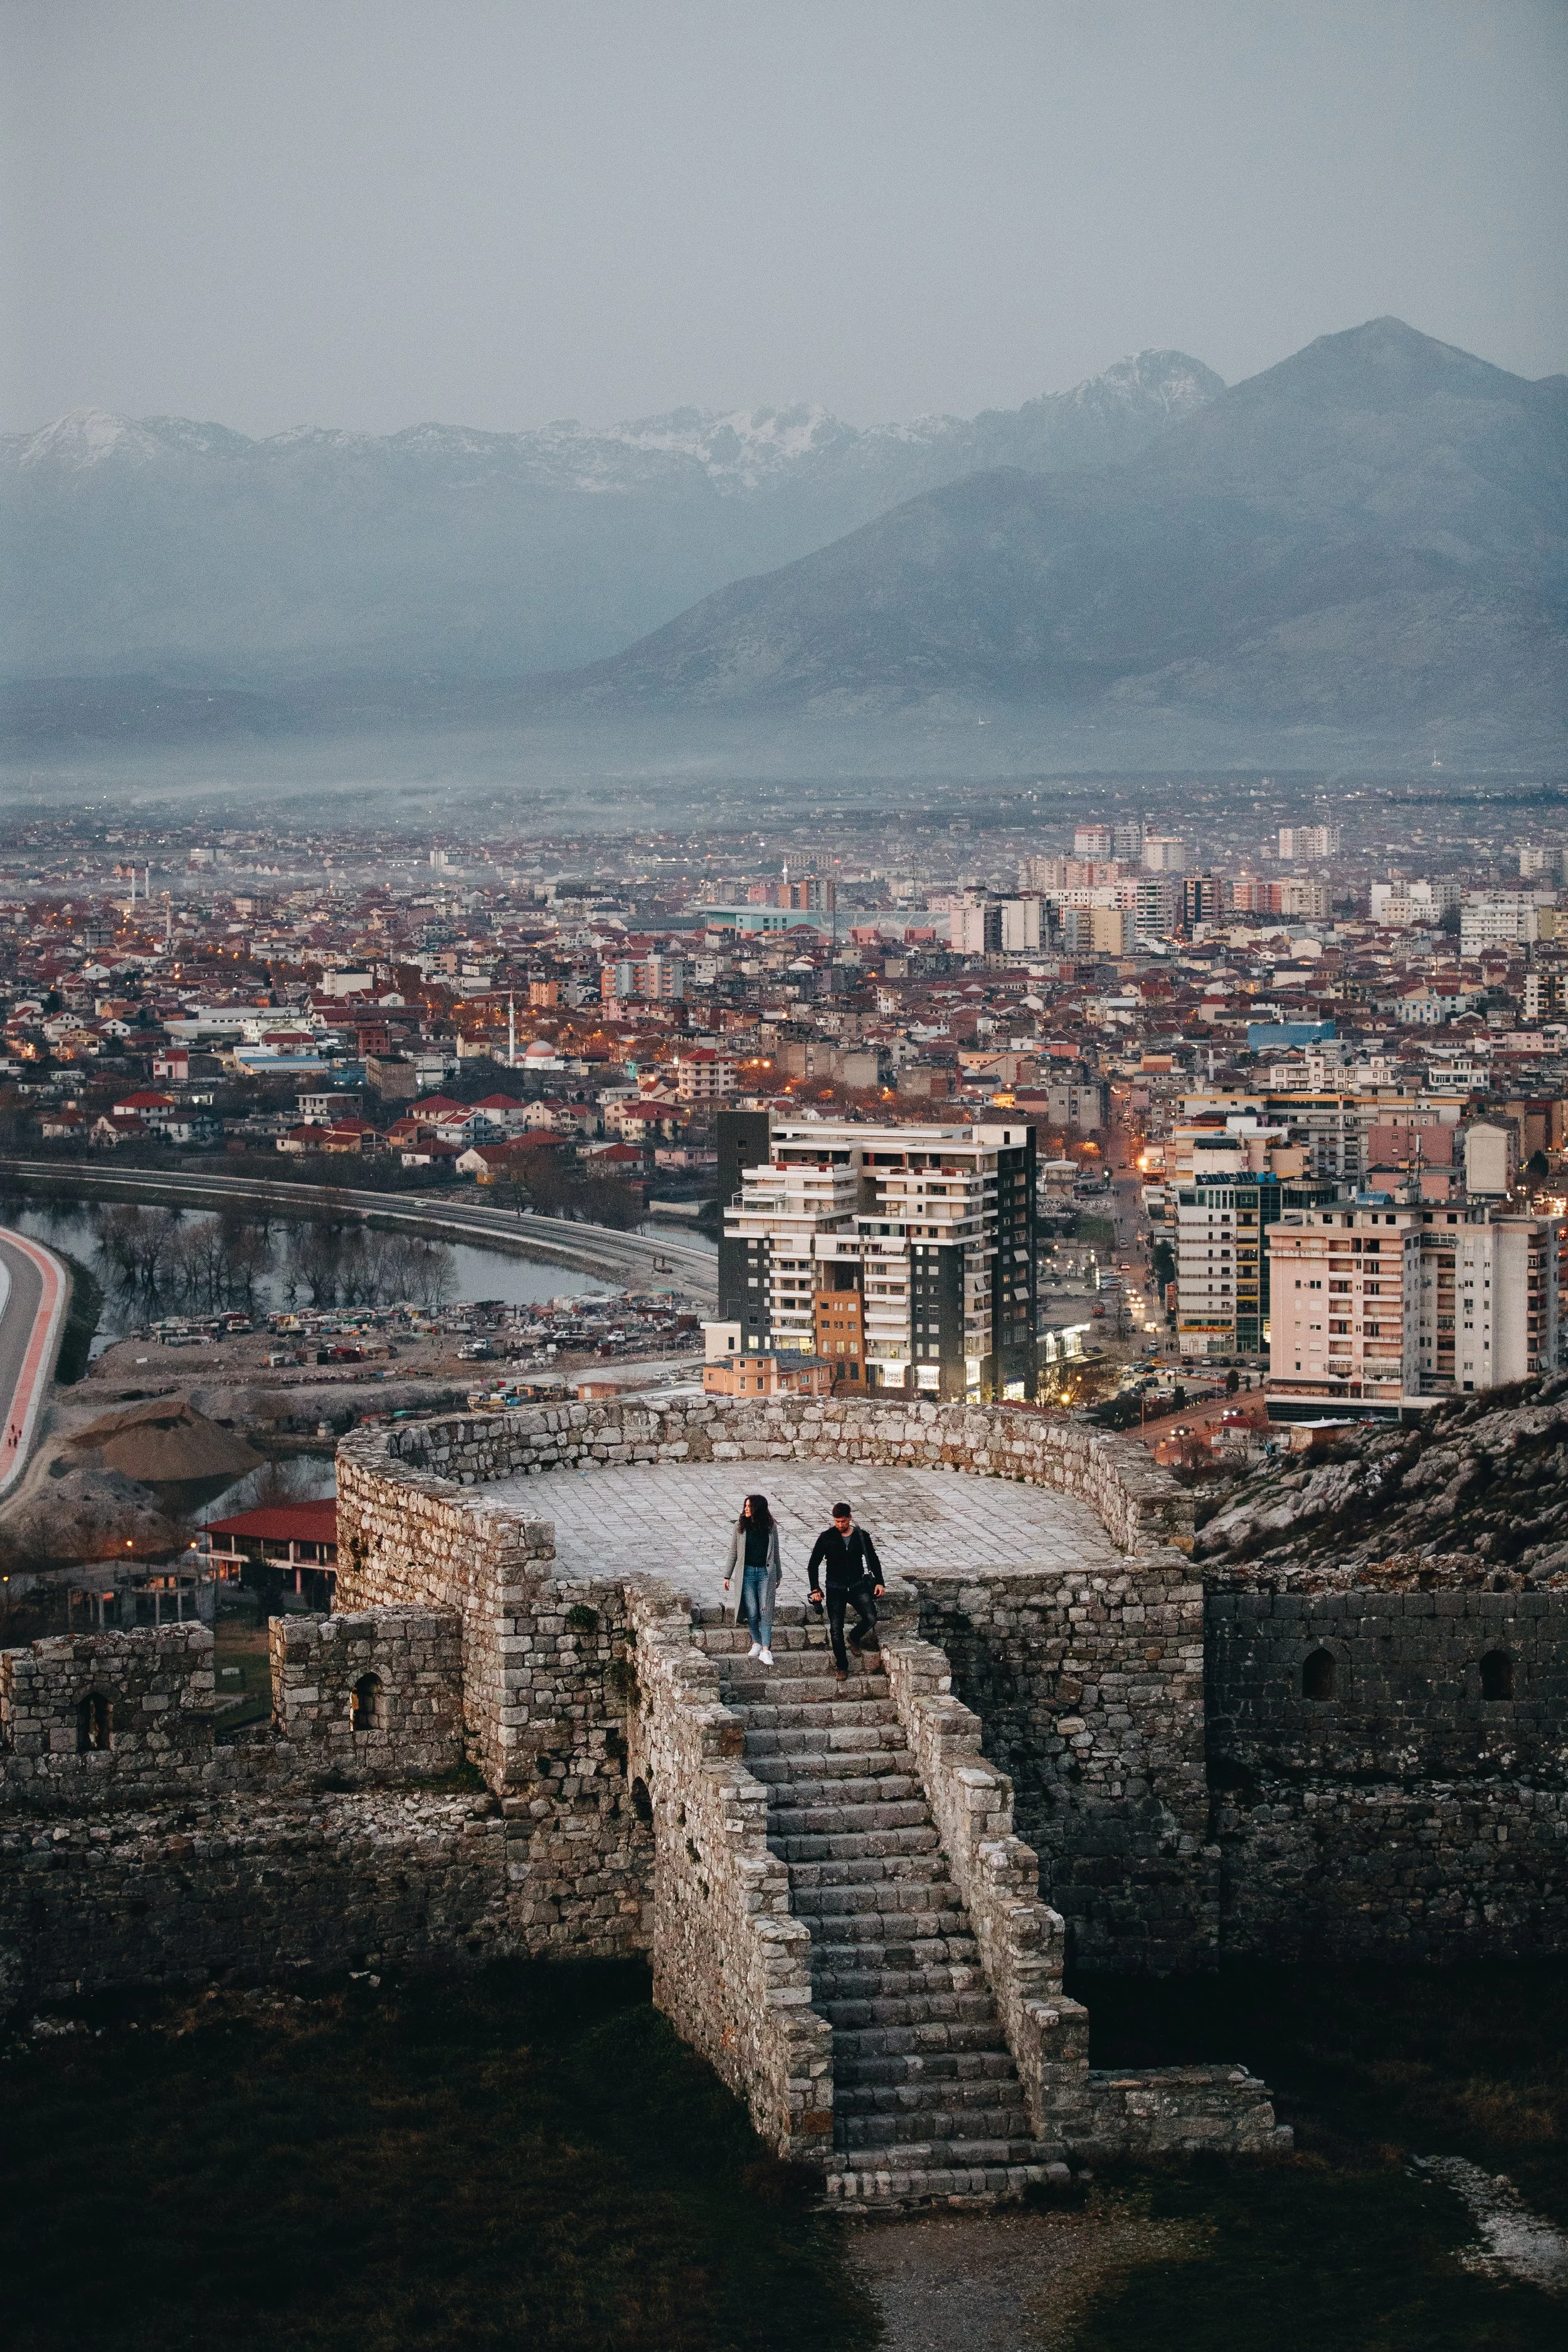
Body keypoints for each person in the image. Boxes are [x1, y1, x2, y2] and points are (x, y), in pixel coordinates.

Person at [807, 1501, 884, 1683]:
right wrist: (815, 1588)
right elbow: (813, 1565)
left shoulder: (861, 1536)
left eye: (843, 1521)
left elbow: (873, 1559)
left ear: (850, 1518)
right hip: (835, 1587)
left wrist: (880, 1582)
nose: (840, 1525)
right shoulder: (826, 1537)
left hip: (857, 1585)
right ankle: (842, 1665)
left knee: (871, 1617)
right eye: (837, 1521)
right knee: (835, 1629)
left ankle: (855, 1637)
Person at [722, 1492, 781, 1666]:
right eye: (745, 1506)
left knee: (765, 1611)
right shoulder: (740, 1527)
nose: (746, 1509)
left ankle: (765, 1650)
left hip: (765, 1573)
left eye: (750, 1506)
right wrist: (727, 1575)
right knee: (752, 1611)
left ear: (759, 1509)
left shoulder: (771, 1528)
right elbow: (733, 1552)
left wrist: (779, 1574)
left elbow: (775, 1553)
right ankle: (756, 1641)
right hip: (746, 1574)